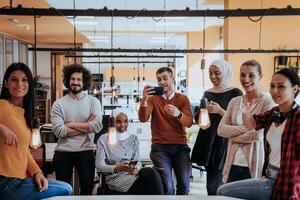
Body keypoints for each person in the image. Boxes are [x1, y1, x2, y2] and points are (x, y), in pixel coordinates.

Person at [217, 68, 300, 200]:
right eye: (272, 86)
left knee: (222, 191)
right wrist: (245, 110)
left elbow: (256, 135)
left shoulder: (298, 117)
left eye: (281, 87)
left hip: (287, 180)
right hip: (269, 175)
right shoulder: (274, 112)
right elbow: (252, 123)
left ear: (295, 89)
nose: (274, 91)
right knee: (222, 190)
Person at [0, 62, 72, 199]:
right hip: (5, 182)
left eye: (24, 80)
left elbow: (24, 151)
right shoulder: (3, 106)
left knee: (64, 188)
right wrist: (2, 128)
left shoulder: (23, 114)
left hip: (17, 180)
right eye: (14, 80)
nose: (19, 84)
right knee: (66, 189)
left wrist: (37, 172)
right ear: (6, 83)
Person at [191, 59, 243, 195]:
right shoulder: (208, 93)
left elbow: (239, 121)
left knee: (218, 186)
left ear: (225, 73)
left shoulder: (235, 93)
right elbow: (199, 119)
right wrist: (203, 112)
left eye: (217, 73)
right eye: (210, 74)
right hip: (208, 141)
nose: (213, 77)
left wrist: (219, 111)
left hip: (223, 143)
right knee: (211, 186)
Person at [218, 60, 275, 184]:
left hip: (253, 165)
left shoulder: (267, 102)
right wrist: (248, 128)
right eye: (243, 75)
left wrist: (232, 137)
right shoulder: (235, 101)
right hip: (232, 163)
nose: (246, 79)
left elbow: (258, 135)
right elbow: (221, 130)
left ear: (260, 76)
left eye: (251, 75)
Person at [138, 67, 193, 195]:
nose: (162, 82)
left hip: (180, 147)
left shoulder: (183, 99)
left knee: (185, 186)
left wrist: (178, 114)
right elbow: (143, 118)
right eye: (159, 79)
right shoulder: (153, 99)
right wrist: (144, 100)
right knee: (167, 187)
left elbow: (189, 122)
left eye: (165, 78)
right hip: (160, 148)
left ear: (173, 79)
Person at [51, 64, 103, 195]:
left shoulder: (93, 102)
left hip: (86, 150)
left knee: (87, 189)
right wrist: (86, 124)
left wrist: (71, 124)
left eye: (79, 79)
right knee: (63, 191)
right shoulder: (59, 104)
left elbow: (97, 126)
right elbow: (59, 131)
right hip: (63, 151)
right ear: (68, 80)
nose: (75, 82)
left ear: (84, 81)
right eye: (72, 79)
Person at [95, 112, 164, 194]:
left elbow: (138, 162)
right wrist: (116, 168)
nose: (122, 125)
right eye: (118, 122)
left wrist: (136, 169)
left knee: (151, 172)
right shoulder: (104, 139)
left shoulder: (133, 138)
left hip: (133, 175)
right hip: (116, 178)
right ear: (113, 123)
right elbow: (99, 166)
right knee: (148, 187)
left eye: (125, 121)